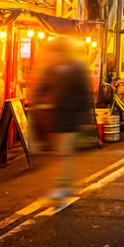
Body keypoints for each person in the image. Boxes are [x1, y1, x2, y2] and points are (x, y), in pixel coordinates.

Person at [34, 37, 93, 200]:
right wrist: (37, 104)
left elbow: (85, 95)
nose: (54, 56)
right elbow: (41, 88)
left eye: (56, 53)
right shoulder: (50, 69)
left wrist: (86, 119)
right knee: (59, 154)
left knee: (64, 153)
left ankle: (61, 186)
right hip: (54, 117)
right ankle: (66, 185)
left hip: (71, 117)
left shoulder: (78, 68)